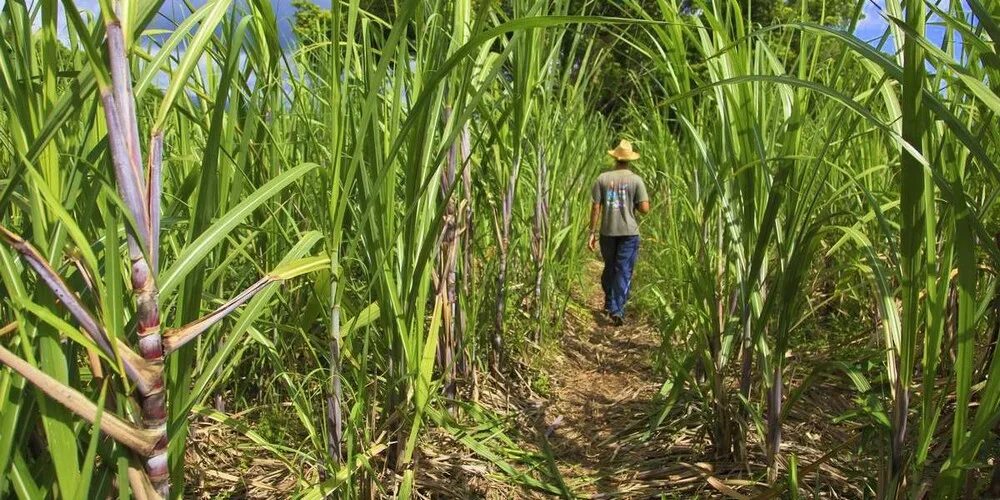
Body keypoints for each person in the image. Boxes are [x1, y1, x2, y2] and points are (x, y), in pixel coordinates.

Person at [587, 139, 650, 326]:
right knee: (623, 270)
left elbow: (596, 207)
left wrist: (592, 232)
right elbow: (645, 208)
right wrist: (635, 203)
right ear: (629, 159)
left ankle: (609, 302)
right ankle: (617, 309)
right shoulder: (636, 180)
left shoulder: (602, 179)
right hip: (629, 232)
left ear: (615, 158)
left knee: (610, 266)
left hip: (608, 232)